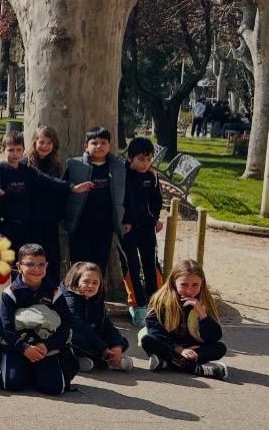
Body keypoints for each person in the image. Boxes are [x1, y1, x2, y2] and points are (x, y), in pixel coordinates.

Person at [0, 131, 91, 258]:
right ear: (2, 150)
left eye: (18, 150)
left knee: (23, 258)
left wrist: (72, 187)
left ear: (23, 150)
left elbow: (48, 180)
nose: (15, 154)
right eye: (11, 150)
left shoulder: (27, 169)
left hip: (24, 225)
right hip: (3, 223)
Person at [0, 244, 74, 396]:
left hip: (45, 348)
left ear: (46, 265)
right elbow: (4, 327)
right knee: (13, 384)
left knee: (53, 389)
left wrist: (48, 345)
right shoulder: (10, 293)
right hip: (18, 347)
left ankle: (38, 371)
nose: (37, 269)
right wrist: (23, 347)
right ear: (19, 266)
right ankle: (22, 368)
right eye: (30, 264)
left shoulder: (54, 292)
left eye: (41, 264)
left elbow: (66, 323)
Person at [142, 259, 228, 379]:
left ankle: (167, 362)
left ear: (202, 284)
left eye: (195, 285)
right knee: (147, 339)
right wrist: (179, 350)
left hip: (193, 347)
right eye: (184, 285)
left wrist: (202, 314)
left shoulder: (205, 302)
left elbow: (214, 336)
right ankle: (196, 369)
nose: (189, 291)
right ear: (174, 282)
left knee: (220, 348)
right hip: (170, 345)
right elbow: (155, 331)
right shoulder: (161, 301)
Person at [64, 127, 127, 271]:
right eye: (94, 143)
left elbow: (127, 194)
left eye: (103, 143)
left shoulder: (119, 167)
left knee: (99, 265)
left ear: (110, 145)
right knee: (78, 266)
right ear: (86, 146)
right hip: (80, 225)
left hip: (105, 226)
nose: (99, 146)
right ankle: (76, 293)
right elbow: (64, 190)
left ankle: (97, 293)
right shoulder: (74, 165)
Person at [122, 137, 166, 326]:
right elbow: (119, 201)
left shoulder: (152, 175)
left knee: (151, 264)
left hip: (147, 228)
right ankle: (138, 305)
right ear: (130, 158)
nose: (145, 163)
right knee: (131, 265)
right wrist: (124, 221)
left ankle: (157, 303)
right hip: (128, 229)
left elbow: (156, 201)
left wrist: (155, 219)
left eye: (149, 159)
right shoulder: (121, 173)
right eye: (141, 159)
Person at [62, 262, 131, 373]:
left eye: (95, 283)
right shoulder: (70, 300)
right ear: (76, 281)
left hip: (91, 337)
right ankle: (106, 361)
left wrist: (116, 345)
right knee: (74, 340)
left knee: (122, 341)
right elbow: (80, 327)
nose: (91, 286)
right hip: (72, 336)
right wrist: (103, 348)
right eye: (86, 281)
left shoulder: (95, 298)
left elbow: (106, 325)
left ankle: (87, 360)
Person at [26, 125, 69, 271]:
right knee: (32, 257)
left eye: (49, 143)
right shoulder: (26, 164)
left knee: (51, 258)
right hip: (30, 220)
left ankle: (51, 291)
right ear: (35, 143)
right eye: (42, 142)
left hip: (50, 220)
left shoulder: (56, 166)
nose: (45, 146)